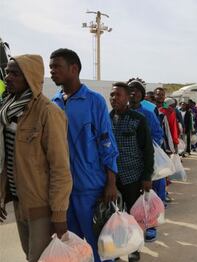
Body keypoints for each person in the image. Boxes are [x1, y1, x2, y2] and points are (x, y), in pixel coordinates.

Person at [0, 54, 72, 262]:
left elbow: (60, 167)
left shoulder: (48, 113)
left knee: (40, 258)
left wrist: (59, 214)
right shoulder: (7, 109)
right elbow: (4, 160)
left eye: (14, 73)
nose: (8, 77)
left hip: (40, 204)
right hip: (18, 199)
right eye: (7, 72)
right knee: (29, 255)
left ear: (30, 77)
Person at [50, 48, 118, 262]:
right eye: (50, 67)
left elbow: (107, 144)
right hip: (63, 192)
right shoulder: (53, 104)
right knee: (73, 247)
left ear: (74, 68)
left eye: (56, 66)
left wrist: (111, 183)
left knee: (98, 244)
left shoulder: (94, 101)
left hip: (90, 188)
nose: (52, 71)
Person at [109, 82, 154, 261]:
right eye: (112, 95)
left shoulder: (138, 119)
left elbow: (147, 149)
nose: (114, 98)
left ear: (128, 97)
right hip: (112, 178)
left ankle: (134, 248)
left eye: (118, 95)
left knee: (134, 215)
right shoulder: (106, 118)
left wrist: (146, 176)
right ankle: (118, 249)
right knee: (115, 217)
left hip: (133, 177)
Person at [127, 79, 164, 146]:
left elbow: (157, 135)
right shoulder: (118, 113)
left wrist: (148, 148)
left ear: (142, 95)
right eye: (131, 90)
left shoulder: (149, 114)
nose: (134, 93)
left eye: (137, 91)